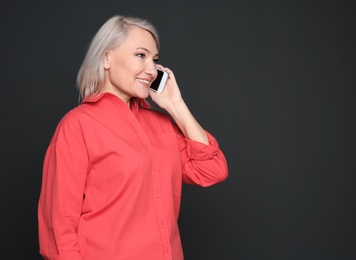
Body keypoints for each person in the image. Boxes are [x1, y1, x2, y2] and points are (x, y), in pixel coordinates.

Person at [37, 15, 228, 260]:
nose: (151, 70)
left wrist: (176, 105)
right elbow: (59, 226)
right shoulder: (78, 125)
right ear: (106, 58)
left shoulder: (162, 125)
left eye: (155, 60)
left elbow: (212, 169)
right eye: (141, 55)